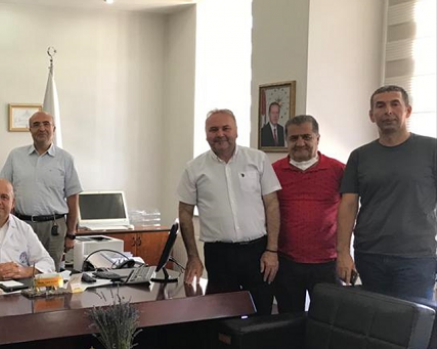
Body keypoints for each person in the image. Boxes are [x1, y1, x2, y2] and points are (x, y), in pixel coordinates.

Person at [337, 85, 437, 302]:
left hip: (417, 258)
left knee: (414, 319)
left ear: (407, 111)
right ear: (372, 115)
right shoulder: (359, 156)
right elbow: (348, 205)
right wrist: (343, 253)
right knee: (374, 319)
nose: (388, 111)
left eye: (395, 104)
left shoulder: (431, 149)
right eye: (380, 106)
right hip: (369, 255)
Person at [177, 109, 281, 315]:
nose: (220, 134)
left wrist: (272, 250)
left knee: (262, 315)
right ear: (206, 134)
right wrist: (193, 256)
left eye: (226, 128)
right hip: (219, 255)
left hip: (257, 253)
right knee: (222, 317)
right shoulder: (194, 168)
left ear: (236, 131)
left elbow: (272, 205)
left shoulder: (257, 159)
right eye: (213, 129)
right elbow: (185, 213)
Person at [272, 115, 345, 312]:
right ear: (286, 141)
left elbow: (350, 210)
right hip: (287, 262)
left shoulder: (338, 170)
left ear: (317, 138)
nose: (300, 143)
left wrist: (345, 253)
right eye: (294, 138)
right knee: (289, 319)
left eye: (306, 137)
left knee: (328, 319)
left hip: (327, 262)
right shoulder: (273, 171)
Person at [0, 111, 82, 269]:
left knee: (50, 274)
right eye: (36, 125)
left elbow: (73, 198)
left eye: (46, 124)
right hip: (22, 225)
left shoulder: (65, 159)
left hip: (54, 229)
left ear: (54, 128)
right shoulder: (15, 156)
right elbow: (3, 189)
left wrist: (71, 234)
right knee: (19, 271)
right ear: (30, 129)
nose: (41, 128)